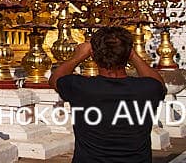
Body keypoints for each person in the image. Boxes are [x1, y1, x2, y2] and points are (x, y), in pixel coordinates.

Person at [48, 26, 167, 163]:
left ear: (92, 54)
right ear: (128, 53)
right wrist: (134, 56)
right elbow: (159, 83)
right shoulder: (147, 89)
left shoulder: (81, 88)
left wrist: (78, 56)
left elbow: (55, 79)